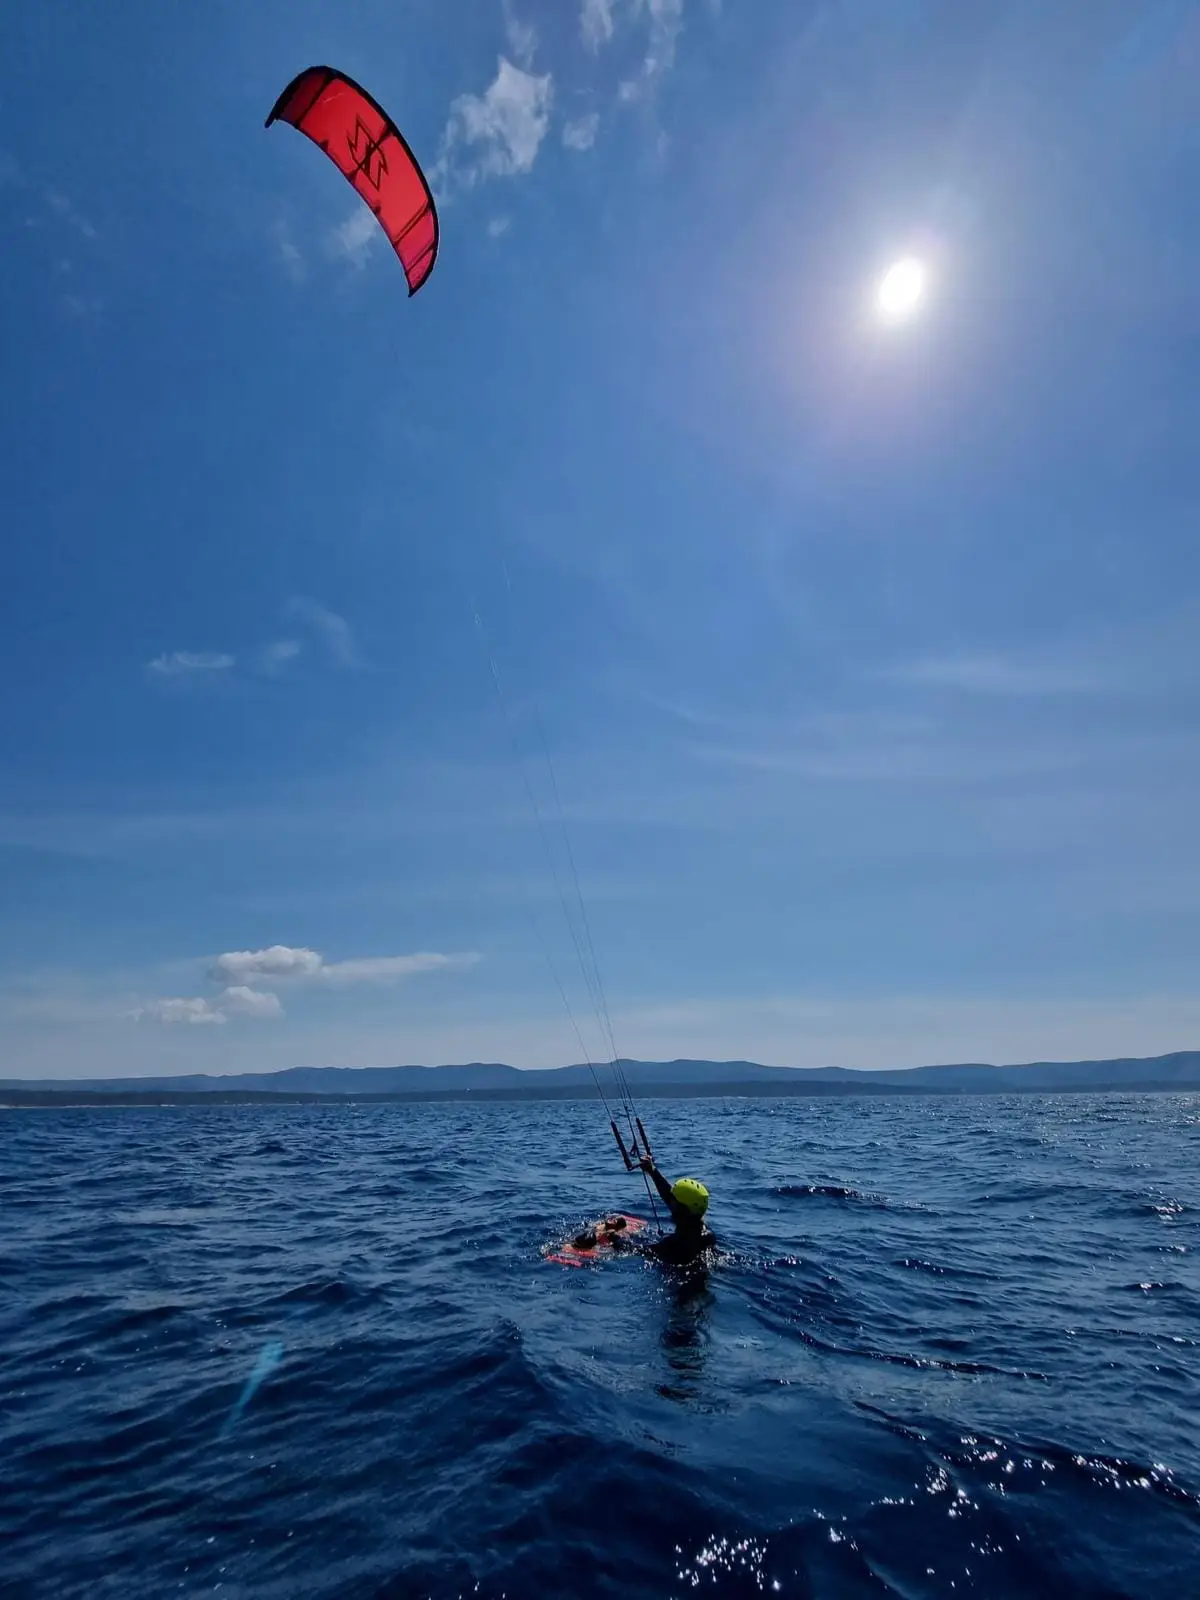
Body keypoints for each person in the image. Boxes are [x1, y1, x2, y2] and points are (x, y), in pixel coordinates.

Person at [636, 1154, 716, 1267]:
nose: (670, 1204)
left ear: (682, 1210)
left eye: (674, 1203)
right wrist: (652, 1171)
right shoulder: (706, 1234)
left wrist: (615, 1240)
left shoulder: (675, 1245)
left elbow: (636, 1250)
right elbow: (670, 1197)